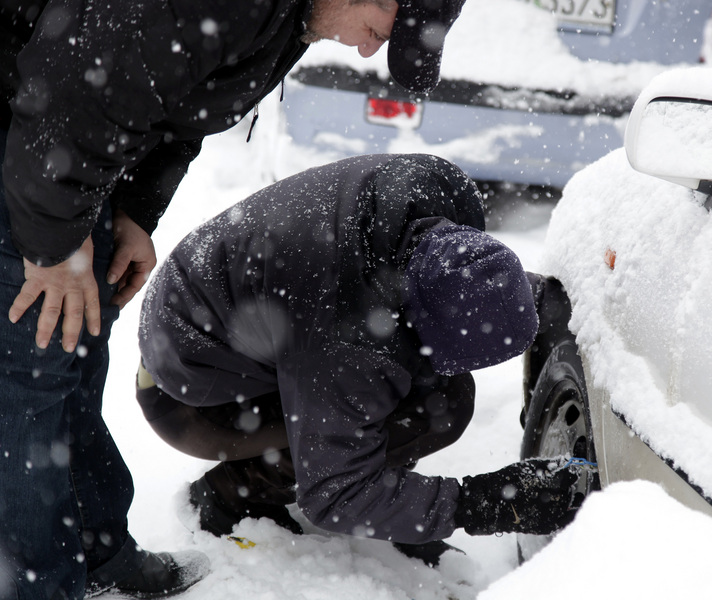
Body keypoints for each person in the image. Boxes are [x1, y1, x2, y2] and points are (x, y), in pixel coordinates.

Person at [0, 0, 467, 598]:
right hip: (27, 150)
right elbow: (68, 92)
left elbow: (183, 106)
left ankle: (95, 552)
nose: (369, 51)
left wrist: (136, 211)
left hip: (68, 167)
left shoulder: (294, 18)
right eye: (378, 32)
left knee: (76, 363)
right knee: (25, 389)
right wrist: (56, 248)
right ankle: (38, 587)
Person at [136, 153, 582, 566]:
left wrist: (548, 313)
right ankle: (229, 496)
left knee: (439, 393)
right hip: (191, 396)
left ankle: (394, 503)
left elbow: (484, 288)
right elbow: (334, 493)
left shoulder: (436, 203)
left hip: (245, 312)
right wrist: (483, 501)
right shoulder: (346, 333)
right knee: (432, 411)